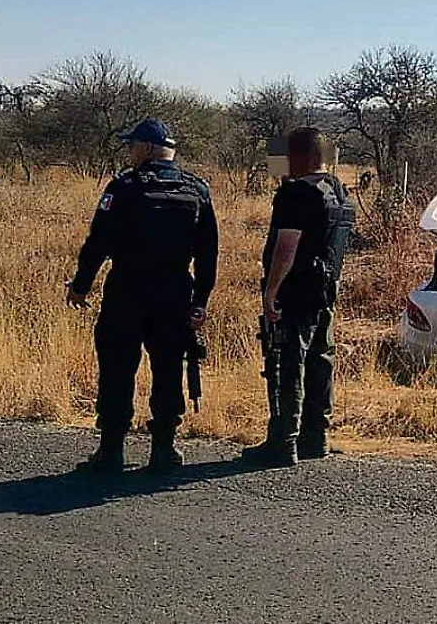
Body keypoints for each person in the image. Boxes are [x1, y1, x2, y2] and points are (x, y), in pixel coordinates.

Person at [67, 118, 219, 474]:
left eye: (132, 145)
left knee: (118, 367)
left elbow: (98, 243)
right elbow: (209, 253)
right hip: (176, 292)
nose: (129, 152)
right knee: (168, 368)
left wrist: (80, 285)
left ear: (148, 148)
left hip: (128, 290)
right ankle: (164, 449)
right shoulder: (196, 189)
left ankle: (111, 451)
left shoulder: (125, 186)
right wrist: (200, 302)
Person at [241, 127, 356, 468]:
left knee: (287, 361)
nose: (281, 164)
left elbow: (286, 246)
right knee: (321, 359)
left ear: (301, 158)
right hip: (325, 290)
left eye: (286, 157)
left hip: (296, 290)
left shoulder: (296, 194)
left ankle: (283, 441)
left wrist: (271, 290)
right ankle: (314, 437)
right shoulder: (338, 193)